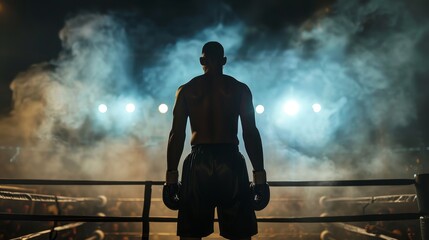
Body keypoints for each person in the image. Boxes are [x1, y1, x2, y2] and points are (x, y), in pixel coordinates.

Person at [163, 41, 269, 240]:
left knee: (191, 234)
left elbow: (176, 134)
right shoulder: (239, 89)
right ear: (224, 61)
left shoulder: (186, 90)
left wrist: (171, 178)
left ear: (202, 60)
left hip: (198, 162)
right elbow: (250, 133)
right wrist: (260, 178)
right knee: (240, 233)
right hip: (230, 160)